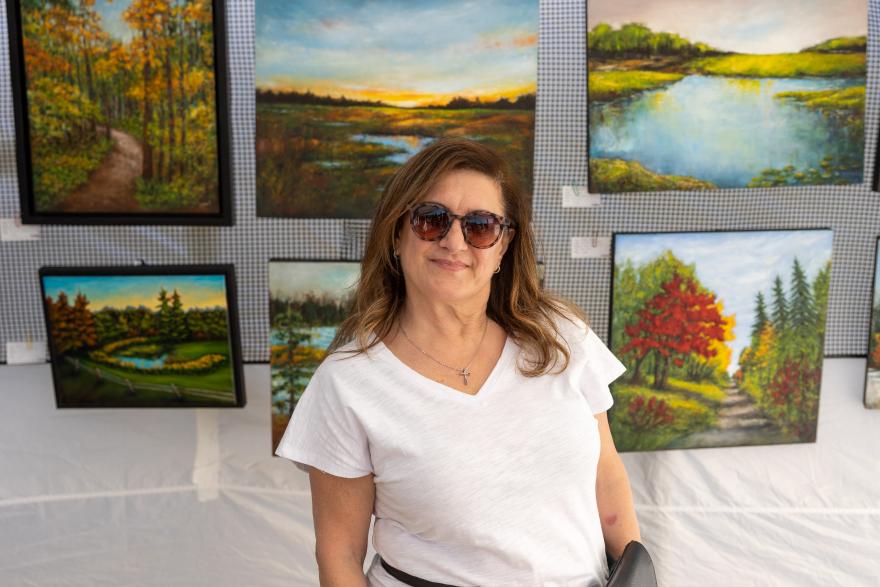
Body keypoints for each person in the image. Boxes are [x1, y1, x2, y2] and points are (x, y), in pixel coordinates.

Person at [276, 139, 641, 586]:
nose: (453, 241)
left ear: (503, 246)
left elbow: (607, 480)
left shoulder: (561, 337)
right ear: (397, 233)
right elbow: (339, 555)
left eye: (480, 226)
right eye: (431, 219)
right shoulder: (347, 382)